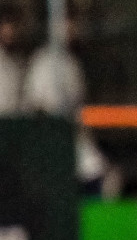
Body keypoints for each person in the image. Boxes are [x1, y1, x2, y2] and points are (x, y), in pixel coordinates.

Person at [23, 17, 114, 197]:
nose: (70, 30)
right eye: (64, 25)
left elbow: (80, 104)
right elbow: (35, 103)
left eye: (72, 25)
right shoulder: (42, 61)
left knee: (94, 169)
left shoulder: (72, 62)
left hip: (75, 133)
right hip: (51, 135)